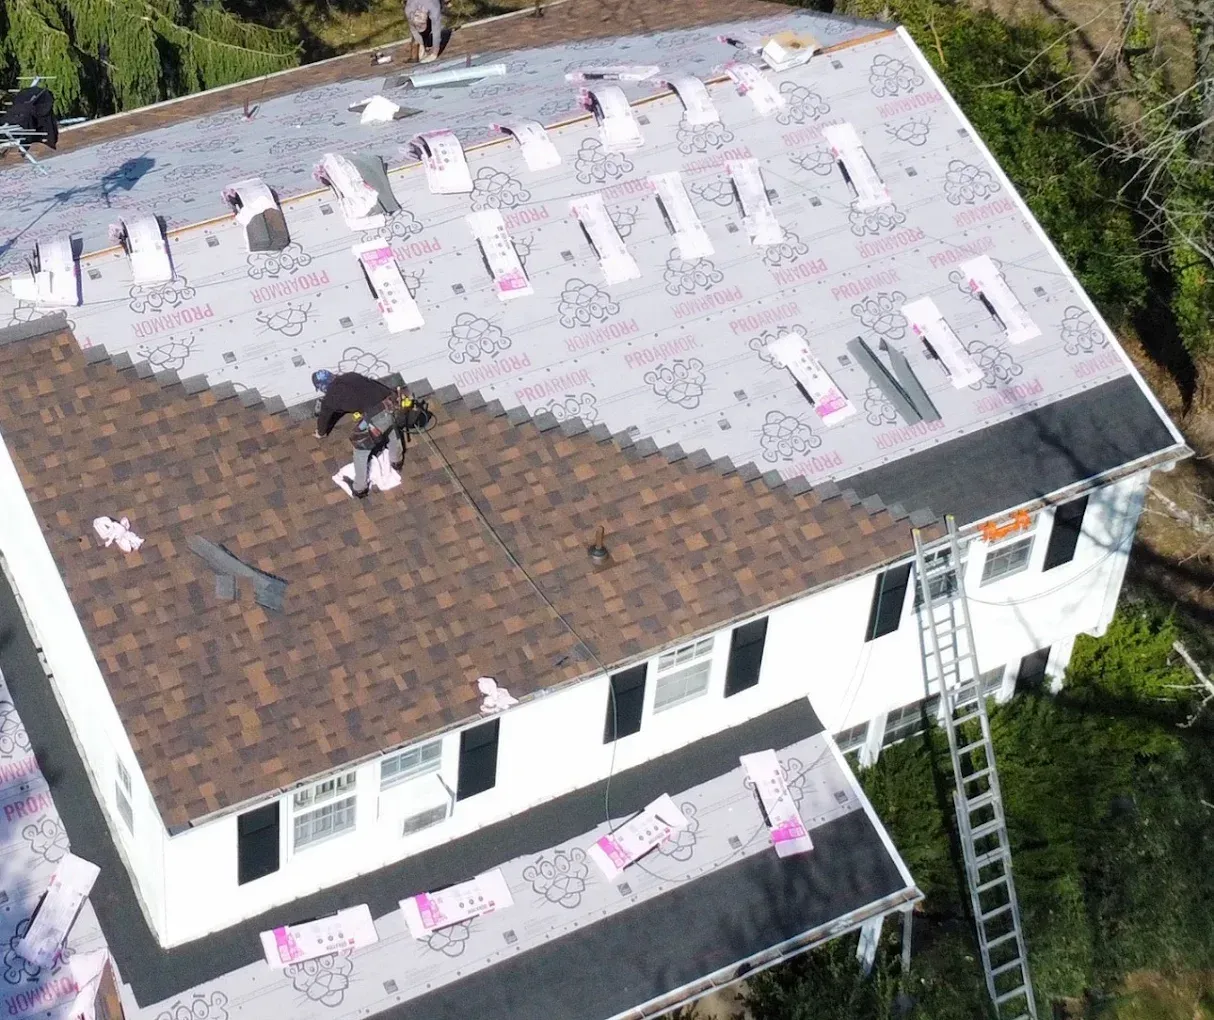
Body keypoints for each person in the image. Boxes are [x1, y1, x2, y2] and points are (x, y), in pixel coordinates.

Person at [312, 369, 425, 499]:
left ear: (322, 387)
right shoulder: (351, 376)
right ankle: (396, 461)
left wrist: (320, 433)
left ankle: (360, 488)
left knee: (360, 448)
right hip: (393, 403)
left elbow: (323, 419)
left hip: (377, 416)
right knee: (391, 428)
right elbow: (374, 385)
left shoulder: (329, 400)